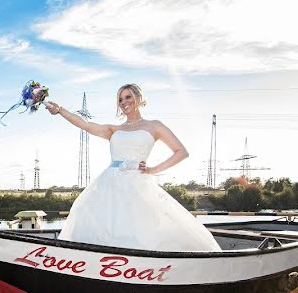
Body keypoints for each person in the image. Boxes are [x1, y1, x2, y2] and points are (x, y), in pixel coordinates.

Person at [45, 84, 220, 252]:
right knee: (98, 223)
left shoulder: (154, 126)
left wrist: (153, 170)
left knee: (142, 228)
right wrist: (60, 110)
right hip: (109, 185)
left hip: (138, 184)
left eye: (127, 97)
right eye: (120, 99)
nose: (124, 102)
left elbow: (181, 152)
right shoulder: (114, 129)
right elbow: (85, 124)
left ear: (138, 98)